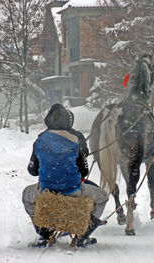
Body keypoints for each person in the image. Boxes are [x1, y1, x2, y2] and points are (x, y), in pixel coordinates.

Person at [22, 103, 109, 248]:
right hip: (73, 190)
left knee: (26, 195)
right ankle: (82, 235)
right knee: (102, 197)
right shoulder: (76, 141)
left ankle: (44, 234)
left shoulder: (39, 141)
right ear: (69, 123)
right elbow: (84, 171)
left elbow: (33, 171)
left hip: (45, 190)